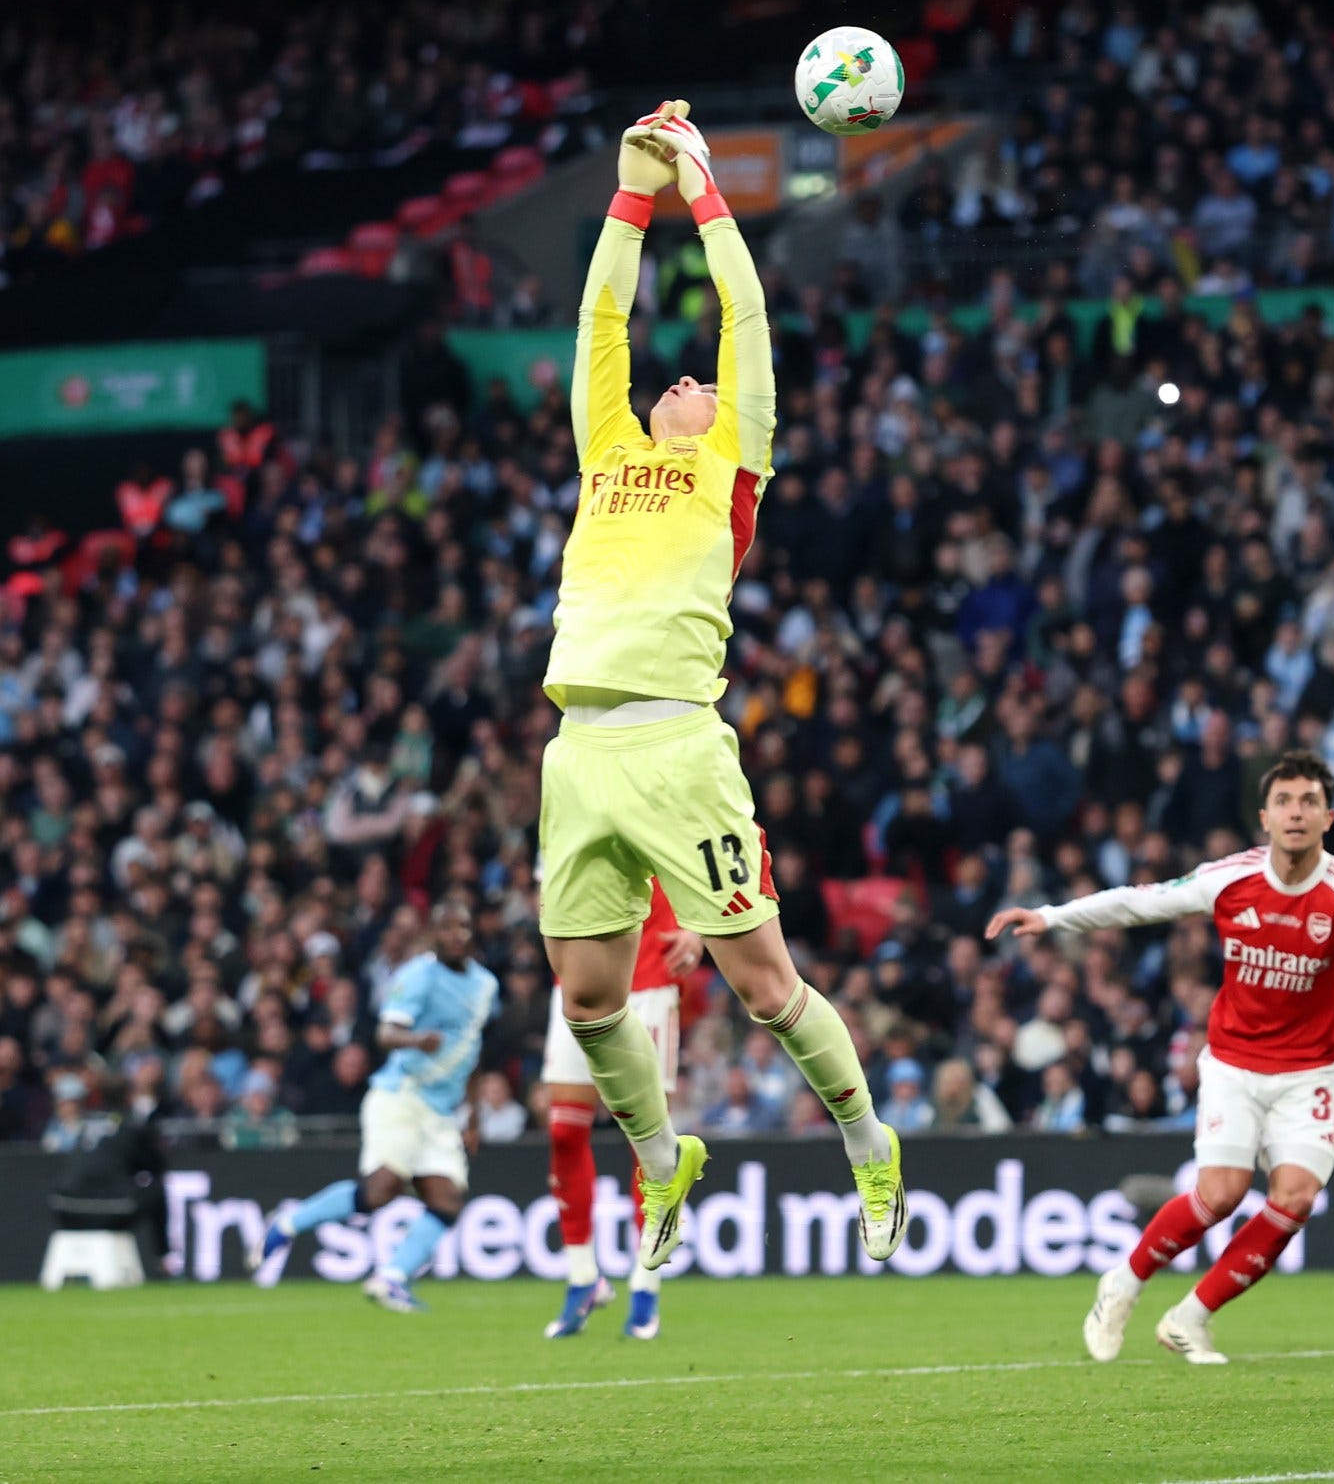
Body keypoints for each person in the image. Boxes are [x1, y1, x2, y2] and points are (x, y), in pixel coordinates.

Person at [535, 101, 903, 1277]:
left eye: (698, 383)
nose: (685, 377)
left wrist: (700, 187)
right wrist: (628, 193)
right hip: (578, 750)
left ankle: (868, 1140)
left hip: (677, 745)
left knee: (764, 985)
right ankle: (661, 1161)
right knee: (588, 998)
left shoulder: (732, 464)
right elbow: (601, 316)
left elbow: (744, 314)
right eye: (677, 378)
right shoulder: (609, 451)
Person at [990, 749, 1334, 1366]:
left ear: (1328, 818)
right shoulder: (1231, 878)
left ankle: (1190, 1318)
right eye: (1284, 801)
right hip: (1234, 1063)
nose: (1296, 813)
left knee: (1295, 1199)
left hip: (1311, 1072)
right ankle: (1122, 1285)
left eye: (1309, 802)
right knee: (1221, 1194)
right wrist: (1049, 917)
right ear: (1265, 817)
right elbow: (1138, 901)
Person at [247, 902, 499, 1311]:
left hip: (440, 1111)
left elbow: (473, 1049)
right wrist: (416, 1040)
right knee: (381, 1189)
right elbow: (386, 1033)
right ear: (433, 934)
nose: (457, 935)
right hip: (401, 1094)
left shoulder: (486, 985)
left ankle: (392, 1278)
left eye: (464, 927)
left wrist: (473, 1116)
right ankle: (288, 1223)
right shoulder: (418, 975)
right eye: (448, 927)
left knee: (447, 1199)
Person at [542, 878, 701, 1340]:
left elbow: (705, 859)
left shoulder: (666, 819)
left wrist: (698, 930)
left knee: (648, 1144)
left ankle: (646, 1287)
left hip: (649, 976)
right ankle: (582, 1278)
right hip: (578, 977)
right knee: (563, 1133)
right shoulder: (556, 827)